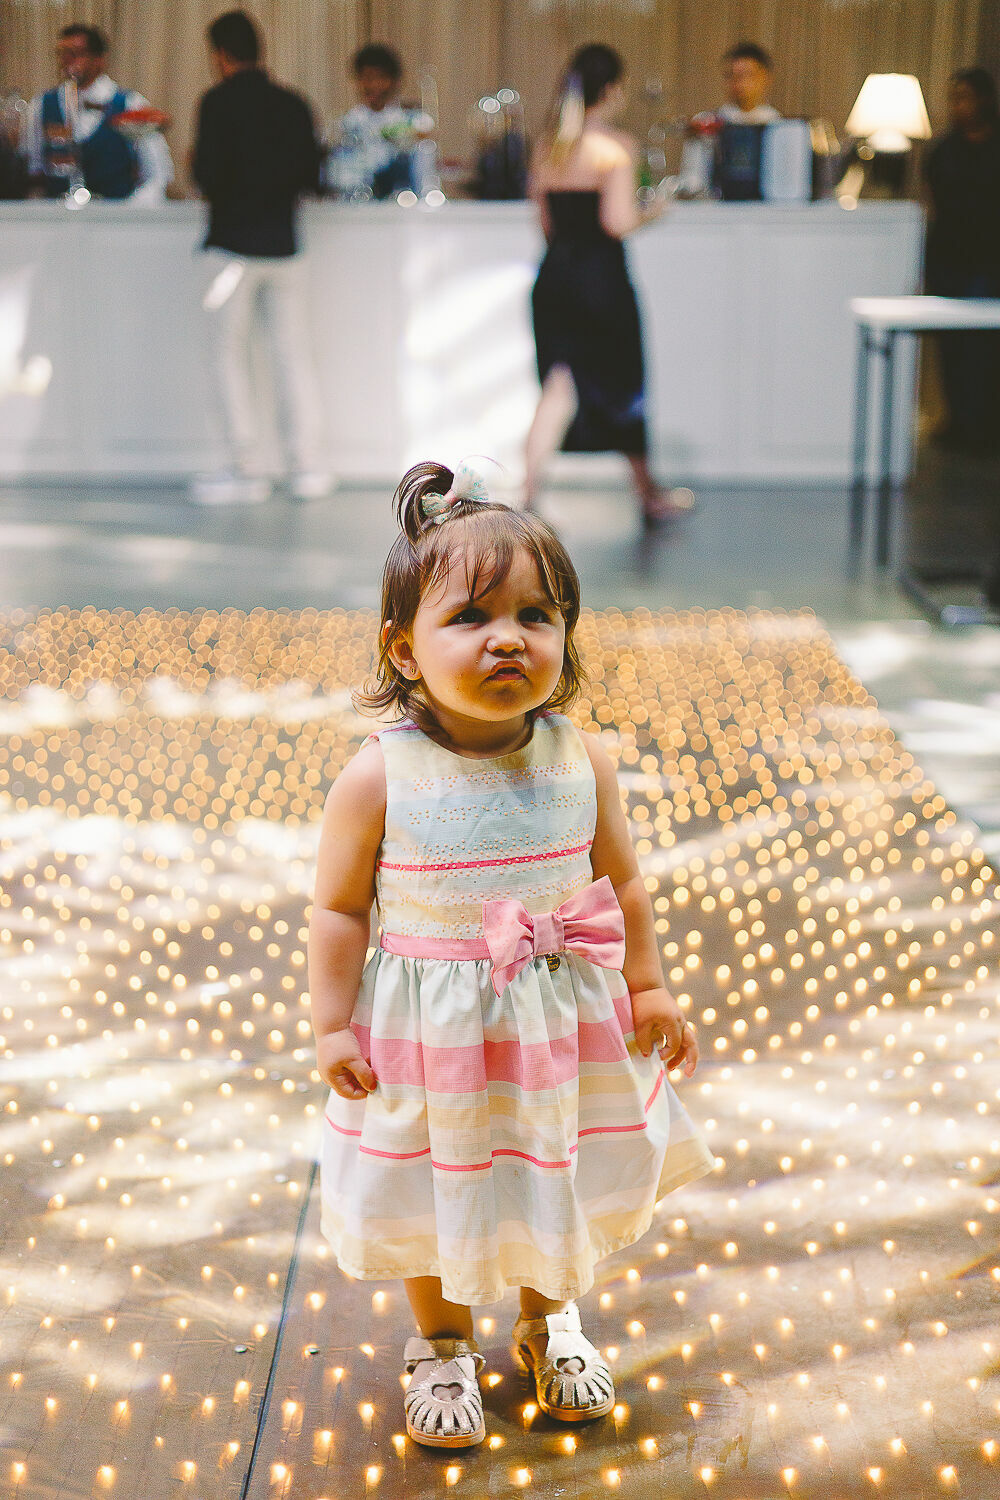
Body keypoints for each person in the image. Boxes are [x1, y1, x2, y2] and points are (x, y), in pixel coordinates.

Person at [309, 457, 714, 1450]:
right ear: (404, 650)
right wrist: (330, 1024)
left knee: (549, 1164)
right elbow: (339, 909)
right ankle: (442, 1342)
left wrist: (650, 986)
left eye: (537, 615)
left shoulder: (582, 758)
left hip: (556, 1020)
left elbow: (621, 882)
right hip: (430, 1032)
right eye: (470, 617)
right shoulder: (380, 776)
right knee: (428, 1178)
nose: (508, 637)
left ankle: (548, 1318)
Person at [526, 44, 693, 522]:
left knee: (556, 388)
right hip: (601, 281)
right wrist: (654, 211)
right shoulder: (616, 147)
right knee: (625, 386)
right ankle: (648, 497)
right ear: (612, 90)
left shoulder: (548, 146)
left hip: (554, 278)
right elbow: (616, 222)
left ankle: (527, 496)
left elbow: (545, 224)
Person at [191, 9, 332, 505]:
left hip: (231, 248)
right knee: (293, 355)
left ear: (220, 55)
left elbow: (207, 177)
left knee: (227, 357)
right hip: (285, 246)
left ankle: (244, 469)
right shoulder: (294, 104)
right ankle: (306, 467)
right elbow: (313, 177)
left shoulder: (215, 103)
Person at [923, 67, 1000, 455]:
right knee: (951, 346)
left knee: (984, 347)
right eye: (953, 98)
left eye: (965, 97)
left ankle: (983, 424)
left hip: (988, 256)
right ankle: (957, 419)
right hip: (949, 255)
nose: (958, 106)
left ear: (984, 99)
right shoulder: (943, 151)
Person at [21, 23, 173, 203]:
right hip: (59, 213)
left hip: (116, 213)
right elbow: (33, 169)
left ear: (99, 59)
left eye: (75, 53)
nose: (66, 60)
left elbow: (158, 174)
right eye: (62, 53)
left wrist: (131, 208)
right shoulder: (41, 105)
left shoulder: (131, 104)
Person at [679, 41, 781, 198]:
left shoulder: (780, 127)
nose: (739, 83)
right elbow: (692, 179)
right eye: (731, 76)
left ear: (766, 77)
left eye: (747, 75)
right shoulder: (707, 124)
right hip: (716, 207)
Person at [328, 43, 419, 200]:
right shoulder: (347, 124)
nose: (375, 85)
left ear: (394, 81)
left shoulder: (410, 122)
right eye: (368, 78)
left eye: (382, 78)